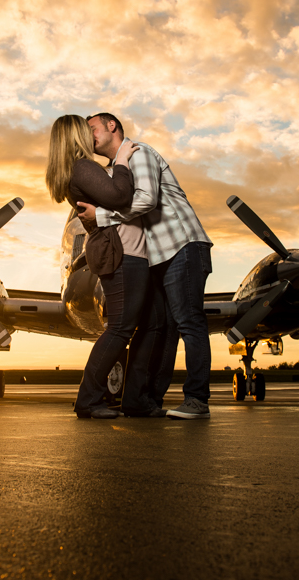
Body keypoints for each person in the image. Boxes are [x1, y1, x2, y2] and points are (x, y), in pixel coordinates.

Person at [78, 113, 213, 420]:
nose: (90, 137)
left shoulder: (139, 153)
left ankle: (197, 400)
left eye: (93, 129)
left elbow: (147, 199)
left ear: (112, 126)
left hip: (182, 245)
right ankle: (142, 400)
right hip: (158, 256)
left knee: (189, 322)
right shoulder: (115, 171)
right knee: (162, 326)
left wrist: (101, 217)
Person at [45, 115, 148, 419]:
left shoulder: (72, 171)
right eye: (85, 129)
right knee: (119, 328)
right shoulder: (83, 167)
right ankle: (88, 400)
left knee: (120, 327)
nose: (90, 134)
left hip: (107, 248)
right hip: (114, 249)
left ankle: (93, 399)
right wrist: (123, 161)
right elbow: (120, 196)